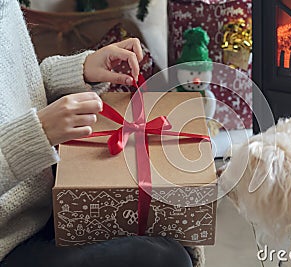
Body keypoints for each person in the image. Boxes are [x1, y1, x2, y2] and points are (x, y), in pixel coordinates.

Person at [0, 0, 193, 266]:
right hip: (9, 243)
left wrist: (82, 70)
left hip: (49, 199)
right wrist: (36, 134)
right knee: (167, 258)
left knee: (170, 219)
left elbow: (19, 87)